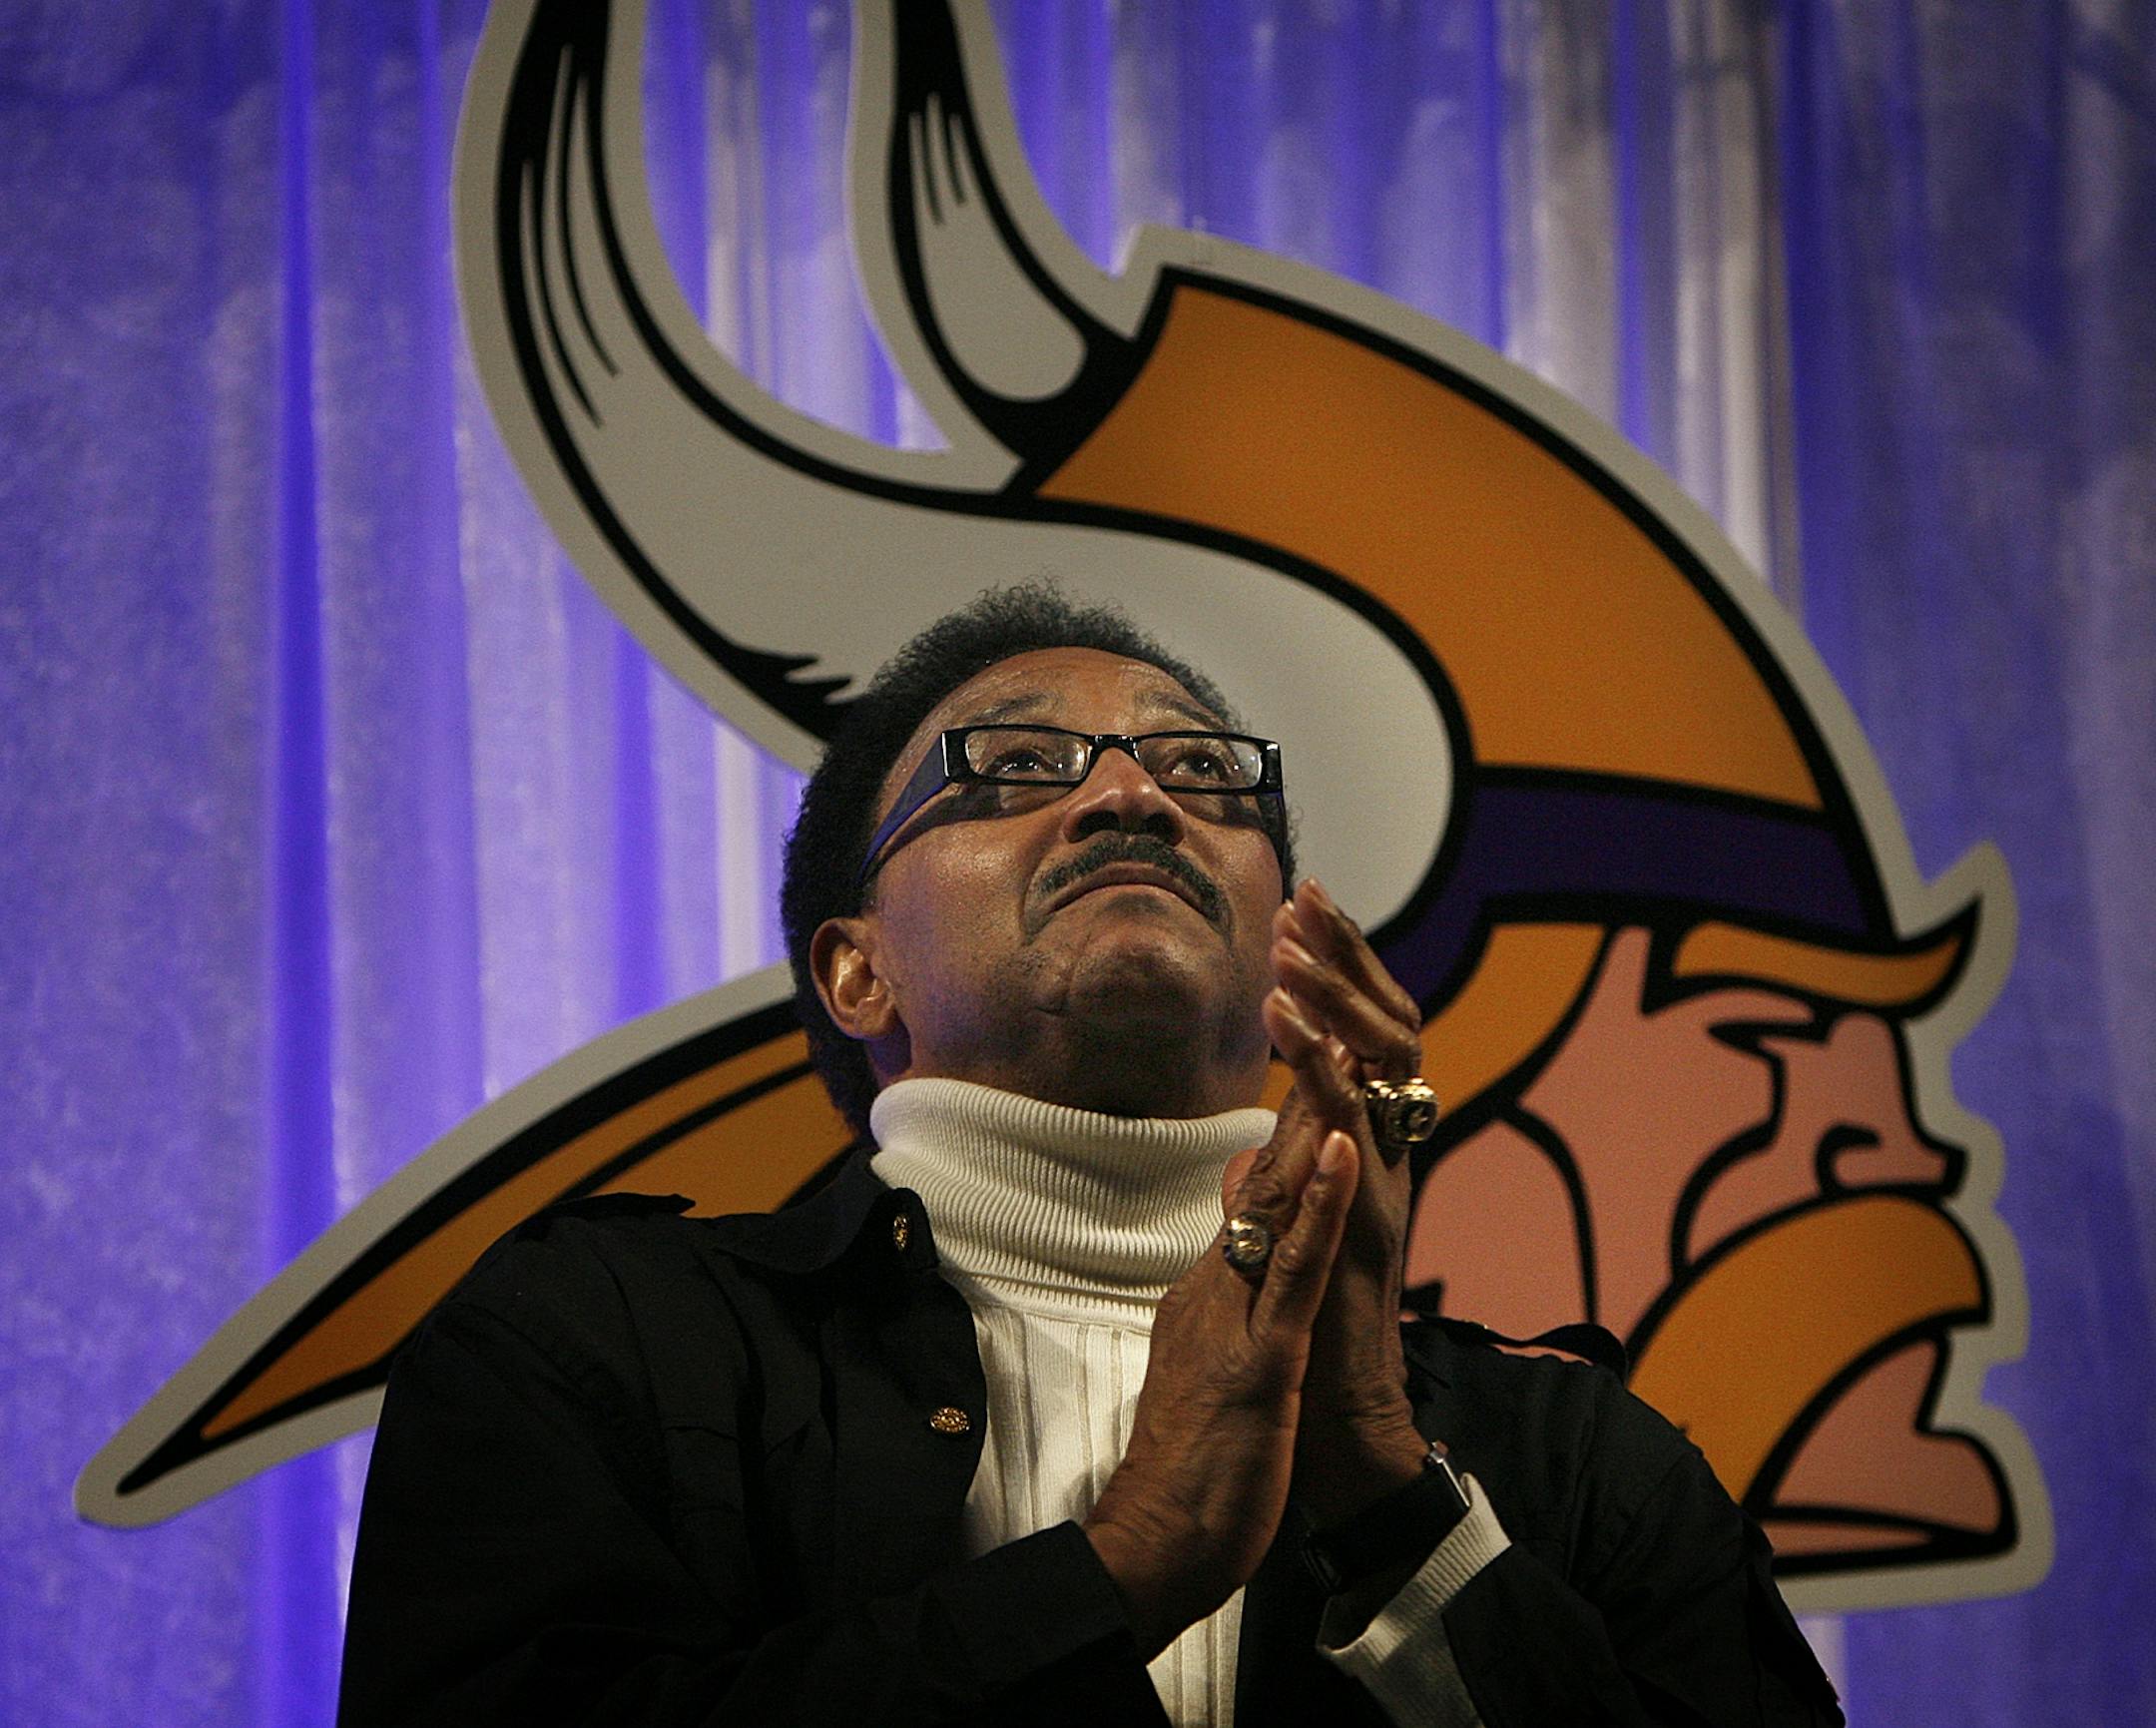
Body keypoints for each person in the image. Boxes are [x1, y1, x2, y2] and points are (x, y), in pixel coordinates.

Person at [337, 586, 1845, 1726]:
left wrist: (1387, 1488)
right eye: (1009, 773)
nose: (1131, 795)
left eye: (1203, 775)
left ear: (1284, 941)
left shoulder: (1569, 1457)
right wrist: (1125, 1563)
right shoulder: (600, 1347)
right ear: (858, 972)